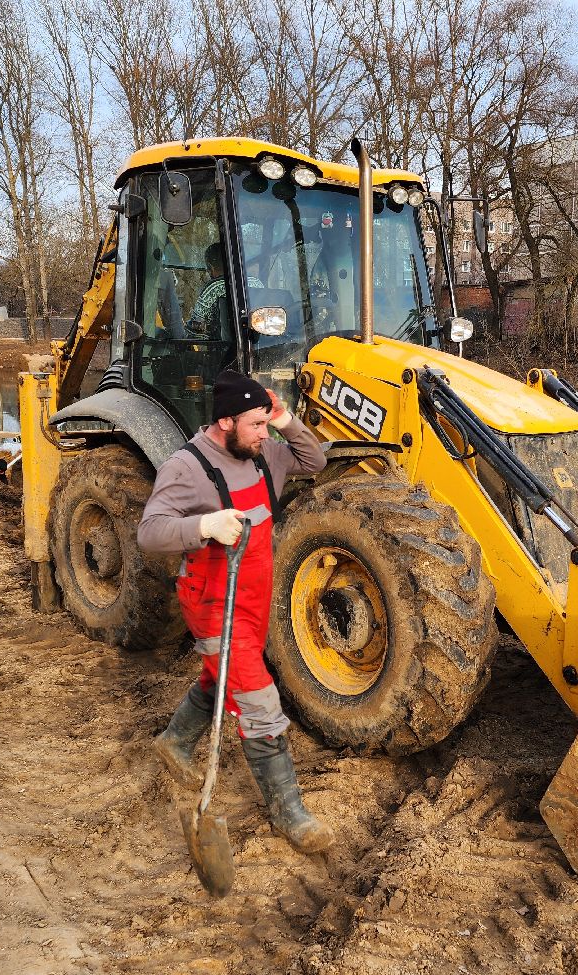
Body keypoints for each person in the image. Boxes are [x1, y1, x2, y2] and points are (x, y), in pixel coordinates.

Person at [137, 369, 333, 853]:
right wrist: (204, 523)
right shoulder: (186, 468)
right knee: (260, 700)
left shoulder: (264, 452)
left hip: (254, 594)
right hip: (211, 599)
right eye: (256, 425)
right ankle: (292, 814)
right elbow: (150, 532)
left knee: (223, 675)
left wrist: (284, 419)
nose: (264, 435)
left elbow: (315, 458)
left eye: (266, 426)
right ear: (225, 421)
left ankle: (174, 741)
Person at [187, 242, 262, 338]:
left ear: (210, 267)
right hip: (256, 344)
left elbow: (196, 329)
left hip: (223, 348)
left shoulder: (213, 288)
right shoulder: (257, 283)